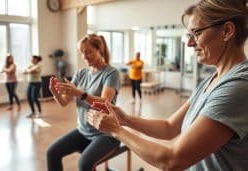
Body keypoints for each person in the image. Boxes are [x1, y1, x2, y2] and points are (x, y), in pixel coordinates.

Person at [87, 0, 248, 170]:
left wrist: (116, 131)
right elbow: (169, 128)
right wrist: (125, 119)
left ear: (227, 31)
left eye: (196, 33)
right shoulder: (213, 79)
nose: (190, 43)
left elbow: (171, 160)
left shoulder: (238, 86)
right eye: (189, 36)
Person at [46, 34, 121, 171]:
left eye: (89, 52)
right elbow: (63, 102)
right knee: (52, 153)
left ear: (100, 50)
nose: (85, 56)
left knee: (84, 164)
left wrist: (80, 94)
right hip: (84, 131)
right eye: (82, 53)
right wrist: (55, 92)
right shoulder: (81, 73)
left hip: (107, 134)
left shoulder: (111, 73)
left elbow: (105, 103)